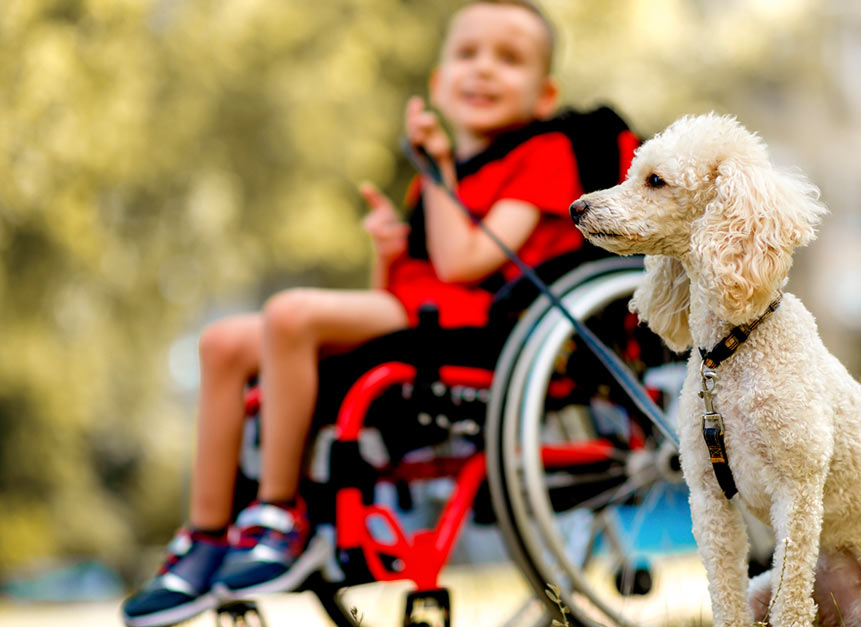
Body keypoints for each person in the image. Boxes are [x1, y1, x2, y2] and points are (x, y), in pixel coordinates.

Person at [121, 2, 636, 625]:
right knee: (224, 342)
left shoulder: (544, 152)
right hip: (423, 318)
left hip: (488, 326)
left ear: (544, 93)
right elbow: (395, 292)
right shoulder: (435, 182)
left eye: (509, 59)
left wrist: (439, 173)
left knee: (289, 313)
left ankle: (279, 516)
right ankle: (203, 540)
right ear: (441, 82)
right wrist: (389, 249)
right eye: (467, 55)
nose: (484, 70)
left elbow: (464, 264)